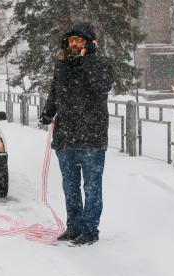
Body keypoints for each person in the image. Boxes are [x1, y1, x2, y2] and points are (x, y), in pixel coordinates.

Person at [39, 22, 114, 246]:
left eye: (79, 40)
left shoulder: (101, 63)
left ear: (90, 43)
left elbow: (101, 87)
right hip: (66, 137)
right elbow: (55, 91)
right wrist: (48, 111)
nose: (74, 43)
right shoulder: (62, 65)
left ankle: (90, 230)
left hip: (92, 137)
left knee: (92, 188)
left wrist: (88, 59)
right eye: (71, 39)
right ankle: (74, 227)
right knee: (70, 187)